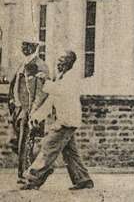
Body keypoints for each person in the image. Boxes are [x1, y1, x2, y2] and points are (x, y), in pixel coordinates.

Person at [21, 51, 94, 191]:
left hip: (66, 121)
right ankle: (83, 180)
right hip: (67, 120)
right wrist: (37, 116)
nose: (59, 63)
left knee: (48, 147)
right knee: (70, 153)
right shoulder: (61, 78)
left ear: (70, 63)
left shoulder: (71, 78)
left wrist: (45, 81)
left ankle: (33, 179)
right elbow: (51, 100)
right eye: (59, 60)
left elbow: (60, 91)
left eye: (63, 60)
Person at [8, 40, 49, 183]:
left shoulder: (40, 66)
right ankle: (29, 170)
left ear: (34, 47)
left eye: (27, 45)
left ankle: (26, 174)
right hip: (18, 109)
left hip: (29, 110)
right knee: (14, 141)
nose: (23, 47)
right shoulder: (22, 64)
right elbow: (15, 85)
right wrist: (13, 102)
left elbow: (41, 92)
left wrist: (34, 111)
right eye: (23, 44)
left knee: (26, 142)